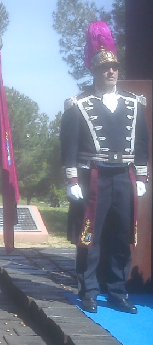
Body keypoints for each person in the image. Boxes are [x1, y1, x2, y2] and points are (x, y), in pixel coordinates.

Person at [60, 21, 149, 314]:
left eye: (114, 68)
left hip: (124, 175)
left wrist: (142, 175)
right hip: (92, 176)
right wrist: (72, 179)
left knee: (122, 234)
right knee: (90, 236)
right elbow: (68, 146)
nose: (111, 72)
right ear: (94, 72)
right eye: (104, 69)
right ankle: (88, 290)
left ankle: (116, 291)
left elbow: (142, 142)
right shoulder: (78, 104)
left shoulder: (135, 103)